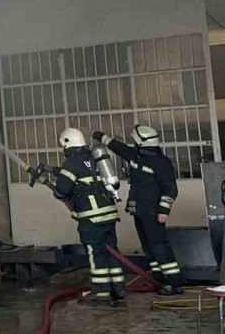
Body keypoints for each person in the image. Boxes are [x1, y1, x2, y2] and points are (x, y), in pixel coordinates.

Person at [94, 125, 184, 295]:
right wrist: (100, 136)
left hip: (153, 212)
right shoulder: (136, 155)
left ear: (142, 142)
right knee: (149, 248)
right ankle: (159, 280)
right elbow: (119, 147)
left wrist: (163, 211)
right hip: (140, 211)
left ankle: (175, 283)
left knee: (159, 247)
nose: (133, 144)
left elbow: (170, 189)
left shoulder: (161, 163)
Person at [53, 127, 126, 304]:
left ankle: (101, 291)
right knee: (112, 251)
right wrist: (55, 171)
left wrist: (58, 189)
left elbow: (62, 191)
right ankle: (118, 288)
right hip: (109, 213)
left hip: (92, 218)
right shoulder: (94, 157)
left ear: (67, 145)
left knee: (96, 252)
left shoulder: (71, 164)